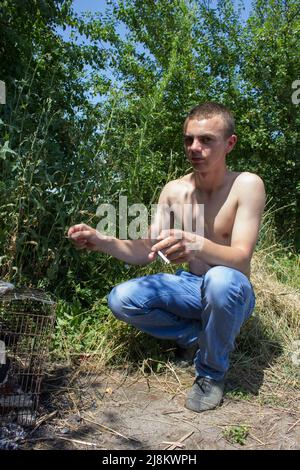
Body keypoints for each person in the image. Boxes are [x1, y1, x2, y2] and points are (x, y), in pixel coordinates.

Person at [68, 102, 266, 412]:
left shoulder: (247, 185)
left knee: (220, 279)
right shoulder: (175, 190)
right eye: (189, 139)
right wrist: (101, 240)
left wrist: (197, 245)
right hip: (189, 286)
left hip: (232, 291)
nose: (194, 148)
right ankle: (194, 337)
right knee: (123, 297)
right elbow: (146, 249)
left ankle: (211, 374)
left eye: (206, 140)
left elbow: (241, 258)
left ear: (230, 143)